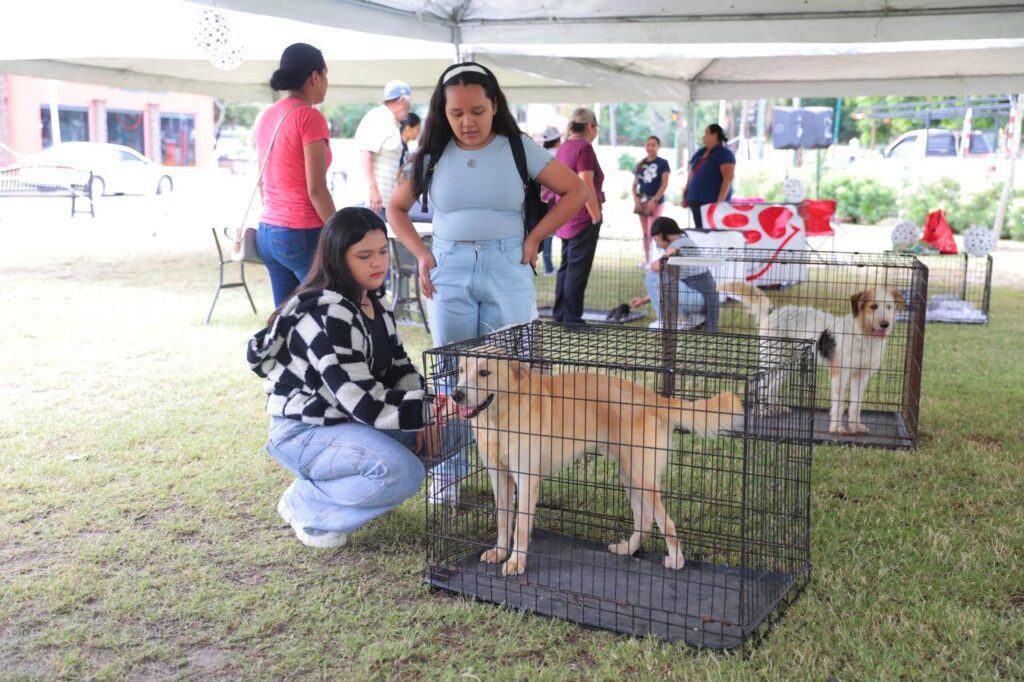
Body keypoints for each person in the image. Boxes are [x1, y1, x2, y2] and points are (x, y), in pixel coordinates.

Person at [387, 61, 587, 504]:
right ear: (444, 112)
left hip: (508, 265)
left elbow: (577, 191)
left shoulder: (519, 148)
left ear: (494, 106)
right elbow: (395, 209)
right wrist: (422, 254)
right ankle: (450, 471)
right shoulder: (431, 154)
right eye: (456, 113)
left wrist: (536, 237)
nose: (467, 121)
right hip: (448, 270)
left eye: (477, 110)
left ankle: (524, 467)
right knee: (449, 374)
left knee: (517, 371)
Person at [247, 207, 468, 548]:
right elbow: (363, 402)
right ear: (338, 259)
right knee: (403, 472)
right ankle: (307, 504)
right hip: (304, 431)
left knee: (456, 430)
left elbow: (400, 368)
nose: (378, 263)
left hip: (348, 421)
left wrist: (430, 419)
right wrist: (430, 410)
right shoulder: (329, 314)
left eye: (382, 252)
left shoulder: (374, 303)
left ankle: (364, 490)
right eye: (363, 255)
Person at [254, 42, 336, 307]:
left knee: (284, 324)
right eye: (325, 75)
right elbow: (317, 189)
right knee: (328, 312)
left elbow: (261, 180)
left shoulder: (266, 116)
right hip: (301, 232)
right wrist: (340, 232)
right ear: (315, 77)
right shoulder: (309, 117)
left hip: (267, 231)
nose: (326, 82)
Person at [551, 108, 604, 324]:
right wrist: (595, 215)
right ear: (590, 126)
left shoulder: (564, 147)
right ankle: (573, 319)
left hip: (564, 216)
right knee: (577, 270)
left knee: (566, 268)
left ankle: (561, 315)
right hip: (582, 217)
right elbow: (585, 184)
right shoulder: (584, 148)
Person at [629, 216, 719, 332]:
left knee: (651, 276)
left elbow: (657, 267)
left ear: (661, 235)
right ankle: (697, 317)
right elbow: (667, 284)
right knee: (661, 277)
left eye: (656, 240)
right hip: (704, 300)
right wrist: (644, 299)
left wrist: (653, 264)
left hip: (696, 299)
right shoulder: (686, 242)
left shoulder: (677, 246)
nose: (658, 244)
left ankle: (666, 321)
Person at [354, 80, 412, 220]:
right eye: (409, 103)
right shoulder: (379, 118)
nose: (410, 107)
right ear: (403, 100)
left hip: (383, 201)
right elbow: (365, 152)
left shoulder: (391, 122)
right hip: (372, 202)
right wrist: (373, 190)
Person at [682, 123, 736, 229]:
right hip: (695, 199)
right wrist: (685, 193)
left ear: (715, 135)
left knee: (712, 233)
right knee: (699, 230)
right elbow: (691, 174)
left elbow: (727, 179)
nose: (704, 136)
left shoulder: (724, 154)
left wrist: (719, 203)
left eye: (706, 133)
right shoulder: (700, 153)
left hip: (711, 202)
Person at [632, 135, 671, 263]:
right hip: (642, 200)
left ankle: (655, 260)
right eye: (648, 144)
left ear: (658, 147)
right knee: (645, 233)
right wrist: (636, 199)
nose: (650, 147)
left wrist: (654, 200)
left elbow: (664, 184)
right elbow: (634, 184)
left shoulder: (663, 163)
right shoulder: (641, 164)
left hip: (656, 202)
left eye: (653, 145)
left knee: (653, 231)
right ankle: (647, 259)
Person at [537, 126, 563, 275]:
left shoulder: (541, 154)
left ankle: (548, 266)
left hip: (542, 199)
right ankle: (549, 268)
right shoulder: (558, 155)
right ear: (558, 140)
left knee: (547, 234)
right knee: (549, 235)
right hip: (555, 201)